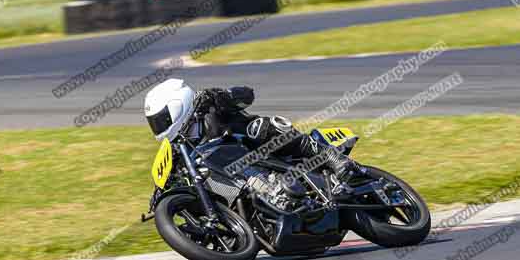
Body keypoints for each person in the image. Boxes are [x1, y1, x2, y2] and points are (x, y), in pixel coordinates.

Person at [144, 79, 360, 183]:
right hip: (239, 177)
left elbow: (248, 94)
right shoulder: (178, 146)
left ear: (177, 106)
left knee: (261, 128)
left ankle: (331, 157)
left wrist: (225, 95)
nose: (159, 127)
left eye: (160, 120)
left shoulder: (209, 103)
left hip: (256, 149)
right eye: (154, 122)